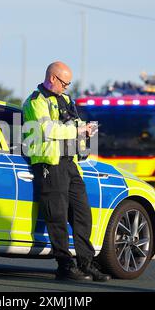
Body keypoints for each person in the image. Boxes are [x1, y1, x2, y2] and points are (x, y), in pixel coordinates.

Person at [22, 61, 111, 282]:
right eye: (64, 83)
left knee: (82, 215)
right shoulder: (35, 102)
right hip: (49, 165)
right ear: (52, 78)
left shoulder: (66, 100)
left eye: (68, 84)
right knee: (57, 217)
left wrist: (86, 130)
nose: (66, 87)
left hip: (70, 164)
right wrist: (76, 129)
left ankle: (86, 263)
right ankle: (64, 266)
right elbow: (46, 129)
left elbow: (75, 123)